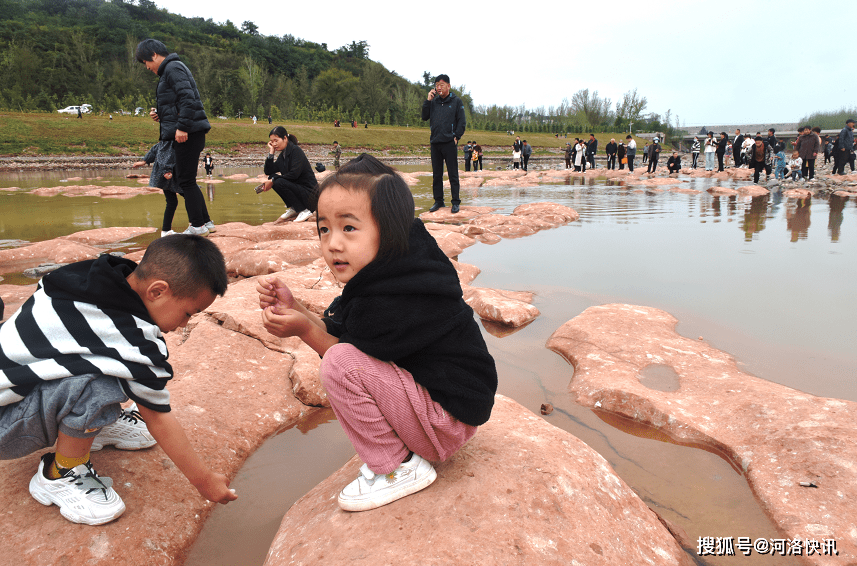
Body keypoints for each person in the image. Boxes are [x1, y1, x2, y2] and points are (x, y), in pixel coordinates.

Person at [256, 154, 497, 512]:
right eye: (324, 228)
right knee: (344, 357)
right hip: (446, 410)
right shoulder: (399, 269)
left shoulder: (399, 296)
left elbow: (344, 353)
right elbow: (350, 331)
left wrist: (304, 328)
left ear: (388, 230)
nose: (333, 243)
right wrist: (300, 309)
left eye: (349, 228)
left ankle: (398, 468)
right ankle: (405, 450)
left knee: (339, 364)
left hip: (447, 421)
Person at [0, 235, 237, 525]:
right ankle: (60, 472)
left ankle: (91, 426)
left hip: (13, 394)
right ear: (157, 291)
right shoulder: (132, 338)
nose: (185, 324)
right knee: (101, 385)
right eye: (188, 313)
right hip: (4, 427)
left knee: (107, 364)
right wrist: (204, 481)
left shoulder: (88, 276)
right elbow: (158, 417)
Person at [136, 39, 215, 237]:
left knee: (185, 181)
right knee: (187, 180)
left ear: (154, 54)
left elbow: (188, 98)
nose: (146, 67)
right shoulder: (170, 70)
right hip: (188, 131)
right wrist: (162, 117)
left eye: (145, 62)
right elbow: (178, 104)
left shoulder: (172, 68)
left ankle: (197, 226)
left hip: (188, 133)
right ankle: (206, 222)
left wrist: (181, 127)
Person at [421, 74, 466, 213]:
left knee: (453, 174)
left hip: (449, 142)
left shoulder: (456, 101)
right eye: (436, 85)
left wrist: (456, 136)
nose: (438, 88)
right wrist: (428, 101)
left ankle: (455, 202)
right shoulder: (433, 102)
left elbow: (462, 121)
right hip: (435, 142)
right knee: (437, 175)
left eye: (441, 85)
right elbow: (424, 117)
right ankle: (438, 201)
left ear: (448, 86)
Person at [261, 126, 317, 222]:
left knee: (276, 181)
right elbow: (269, 171)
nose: (274, 144)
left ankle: (304, 210)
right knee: (272, 177)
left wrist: (273, 181)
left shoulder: (296, 151)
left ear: (285, 138)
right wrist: (271, 152)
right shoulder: (283, 155)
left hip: (310, 195)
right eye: (271, 142)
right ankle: (295, 208)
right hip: (300, 192)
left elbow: (294, 175)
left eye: (276, 140)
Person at [133, 141, 183, 236]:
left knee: (173, 202)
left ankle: (166, 230)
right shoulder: (170, 138)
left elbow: (156, 149)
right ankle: (198, 224)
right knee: (189, 196)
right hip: (171, 174)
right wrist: (166, 170)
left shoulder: (165, 138)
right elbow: (162, 151)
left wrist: (144, 161)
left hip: (169, 173)